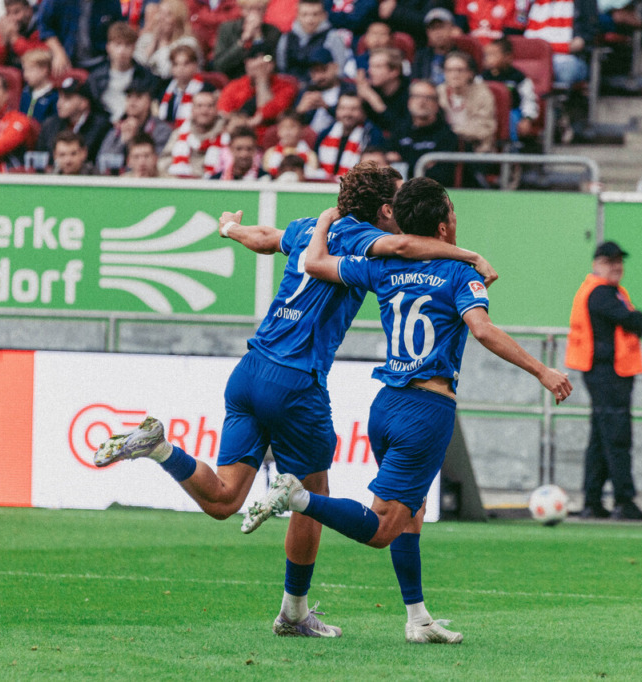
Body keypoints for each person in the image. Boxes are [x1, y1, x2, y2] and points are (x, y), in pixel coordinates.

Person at [91, 163, 496, 640]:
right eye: (398, 202)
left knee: (224, 499)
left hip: (250, 370)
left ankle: (160, 447)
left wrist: (230, 229)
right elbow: (406, 246)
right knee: (311, 497)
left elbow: (265, 238)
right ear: (385, 209)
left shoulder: (310, 228)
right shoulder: (366, 240)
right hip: (296, 383)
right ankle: (294, 612)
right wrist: (471, 256)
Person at [240, 177, 571, 645]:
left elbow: (313, 264)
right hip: (426, 410)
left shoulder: (384, 267)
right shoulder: (460, 275)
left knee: (410, 514)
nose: (458, 217)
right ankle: (295, 496)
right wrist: (542, 371)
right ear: (442, 224)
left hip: (386, 406)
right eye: (453, 211)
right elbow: (482, 330)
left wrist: (324, 222)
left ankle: (418, 618)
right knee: (380, 529)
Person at [565, 241, 642, 521]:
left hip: (605, 371)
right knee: (616, 437)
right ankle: (623, 501)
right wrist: (636, 318)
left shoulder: (602, 290)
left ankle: (592, 501)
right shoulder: (603, 293)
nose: (616, 266)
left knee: (601, 438)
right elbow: (633, 321)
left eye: (619, 261)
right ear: (597, 264)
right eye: (610, 261)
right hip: (609, 373)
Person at [217, 42, 298, 142]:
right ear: (246, 63)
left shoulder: (286, 86)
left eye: (266, 59)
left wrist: (262, 81)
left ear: (272, 64)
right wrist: (250, 122)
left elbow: (269, 113)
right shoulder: (234, 86)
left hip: (270, 140)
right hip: (237, 138)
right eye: (254, 59)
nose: (260, 64)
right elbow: (224, 114)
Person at [87, 22, 161, 122]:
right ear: (108, 47)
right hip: (104, 129)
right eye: (118, 45)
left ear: (134, 48)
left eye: (127, 45)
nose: (122, 51)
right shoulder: (95, 78)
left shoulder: (146, 77)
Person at [389, 78, 458, 184]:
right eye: (417, 96)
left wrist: (403, 160)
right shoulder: (399, 131)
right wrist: (422, 164)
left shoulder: (448, 136)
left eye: (428, 98)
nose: (422, 102)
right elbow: (388, 160)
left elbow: (440, 175)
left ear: (437, 104)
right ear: (409, 101)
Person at [96, 82, 172, 171]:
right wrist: (123, 143)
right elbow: (102, 163)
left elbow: (156, 164)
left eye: (138, 97)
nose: (132, 102)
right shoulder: (117, 129)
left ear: (149, 102)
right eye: (129, 97)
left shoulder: (162, 130)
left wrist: (133, 139)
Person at [35, 0, 124, 77]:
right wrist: (58, 52)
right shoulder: (56, 1)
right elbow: (44, 25)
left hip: (101, 62)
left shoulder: (111, 2)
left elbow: (119, 29)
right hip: (68, 61)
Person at [524, 0, 597, 88]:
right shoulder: (536, 3)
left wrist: (580, 41)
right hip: (538, 58)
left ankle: (559, 99)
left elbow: (585, 38)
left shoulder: (582, 2)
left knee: (565, 69)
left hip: (568, 58)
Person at [37, 76, 113, 161]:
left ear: (83, 103)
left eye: (67, 98)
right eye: (59, 97)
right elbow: (42, 159)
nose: (59, 103)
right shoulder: (49, 125)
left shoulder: (101, 127)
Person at [481, 38, 538, 146]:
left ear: (508, 57)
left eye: (493, 55)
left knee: (510, 119)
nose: (488, 59)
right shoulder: (483, 77)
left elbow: (529, 99)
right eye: (486, 55)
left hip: (513, 111)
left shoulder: (518, 77)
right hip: (488, 113)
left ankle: (512, 148)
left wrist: (527, 118)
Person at [436, 50, 496, 153]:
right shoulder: (438, 92)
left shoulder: (482, 94)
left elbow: (485, 129)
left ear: (470, 73)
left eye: (460, 70)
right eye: (449, 70)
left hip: (476, 148)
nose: (455, 74)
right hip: (442, 147)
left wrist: (452, 131)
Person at [275, 0, 349, 83]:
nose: (310, 20)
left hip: (322, 87)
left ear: (324, 15)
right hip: (291, 87)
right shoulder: (286, 38)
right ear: (297, 16)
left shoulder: (332, 37)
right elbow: (281, 69)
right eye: (305, 14)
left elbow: (339, 70)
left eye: (315, 14)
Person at [315, 91, 385, 177]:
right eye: (343, 108)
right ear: (336, 111)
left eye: (353, 109)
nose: (347, 113)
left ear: (363, 112)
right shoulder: (325, 134)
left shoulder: (371, 135)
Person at [210, 0, 282, 80]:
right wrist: (242, 41)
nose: (254, 14)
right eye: (250, 9)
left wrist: (259, 38)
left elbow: (271, 59)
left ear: (265, 10)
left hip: (266, 80)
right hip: (235, 80)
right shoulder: (227, 29)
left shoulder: (272, 31)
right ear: (242, 10)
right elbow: (219, 65)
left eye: (259, 9)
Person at [161, 89, 226, 176]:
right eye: (199, 106)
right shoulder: (179, 133)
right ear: (192, 109)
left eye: (209, 106)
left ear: (216, 109)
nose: (204, 111)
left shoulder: (226, 135)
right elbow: (163, 161)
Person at [294, 45, 355, 135]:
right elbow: (290, 122)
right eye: (314, 71)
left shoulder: (349, 89)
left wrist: (326, 107)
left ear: (335, 67)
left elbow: (353, 118)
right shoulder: (308, 90)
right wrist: (299, 111)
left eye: (323, 70)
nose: (319, 76)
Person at [133, 0, 200, 79]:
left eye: (168, 15)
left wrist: (163, 42)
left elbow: (166, 73)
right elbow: (134, 68)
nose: (161, 18)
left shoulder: (188, 43)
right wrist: (154, 42)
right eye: (160, 12)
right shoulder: (147, 38)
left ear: (178, 20)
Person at [356, 46, 410, 136]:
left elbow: (399, 128)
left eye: (377, 67)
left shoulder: (410, 92)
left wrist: (374, 100)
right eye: (370, 66)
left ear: (394, 71)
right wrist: (359, 100)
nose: (369, 71)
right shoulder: (370, 89)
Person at [158, 43, 209, 128]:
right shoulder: (164, 89)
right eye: (176, 64)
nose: (180, 68)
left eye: (186, 64)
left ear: (195, 65)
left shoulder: (205, 89)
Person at [0, 0, 45, 70]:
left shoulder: (42, 25)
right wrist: (3, 43)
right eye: (8, 13)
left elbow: (38, 57)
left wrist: (14, 38)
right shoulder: (6, 25)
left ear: (29, 10)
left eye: (16, 12)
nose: (12, 18)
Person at [262, 111, 320, 177]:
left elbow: (311, 175)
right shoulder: (270, 153)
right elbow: (268, 175)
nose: (287, 131)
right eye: (283, 127)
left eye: (292, 126)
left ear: (302, 130)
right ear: (278, 131)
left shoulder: (310, 155)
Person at [411, 8, 456, 85]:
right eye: (433, 29)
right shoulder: (420, 56)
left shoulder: (461, 55)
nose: (438, 33)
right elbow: (415, 82)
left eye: (441, 27)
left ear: (451, 28)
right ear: (427, 33)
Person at [19, 48, 59, 121]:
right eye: (24, 70)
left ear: (44, 70)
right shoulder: (25, 91)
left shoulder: (54, 95)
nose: (26, 75)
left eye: (30, 70)